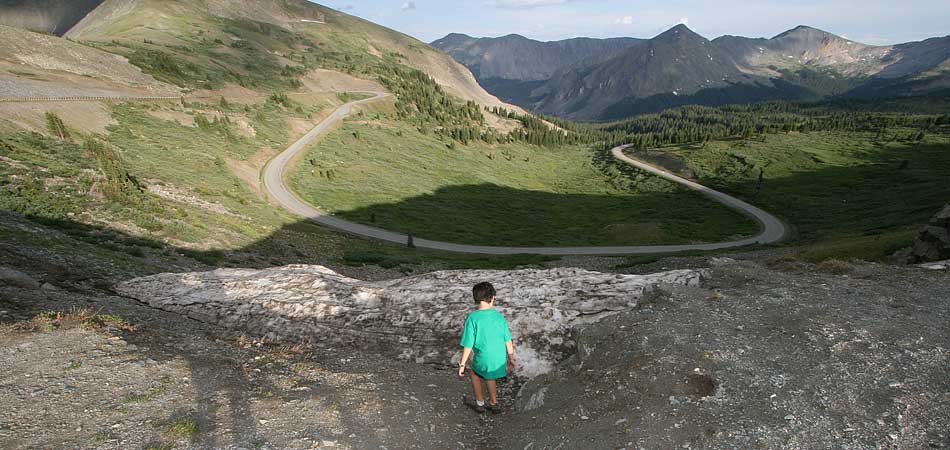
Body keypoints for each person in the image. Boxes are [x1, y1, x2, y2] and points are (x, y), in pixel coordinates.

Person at [458, 281, 515, 413]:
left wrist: (462, 364)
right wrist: (511, 358)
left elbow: (468, 344)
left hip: (484, 357)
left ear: (475, 299)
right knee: (490, 376)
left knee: (474, 373)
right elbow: (508, 340)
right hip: (499, 359)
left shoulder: (473, 318)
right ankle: (494, 403)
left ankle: (480, 403)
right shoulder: (499, 317)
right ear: (493, 297)